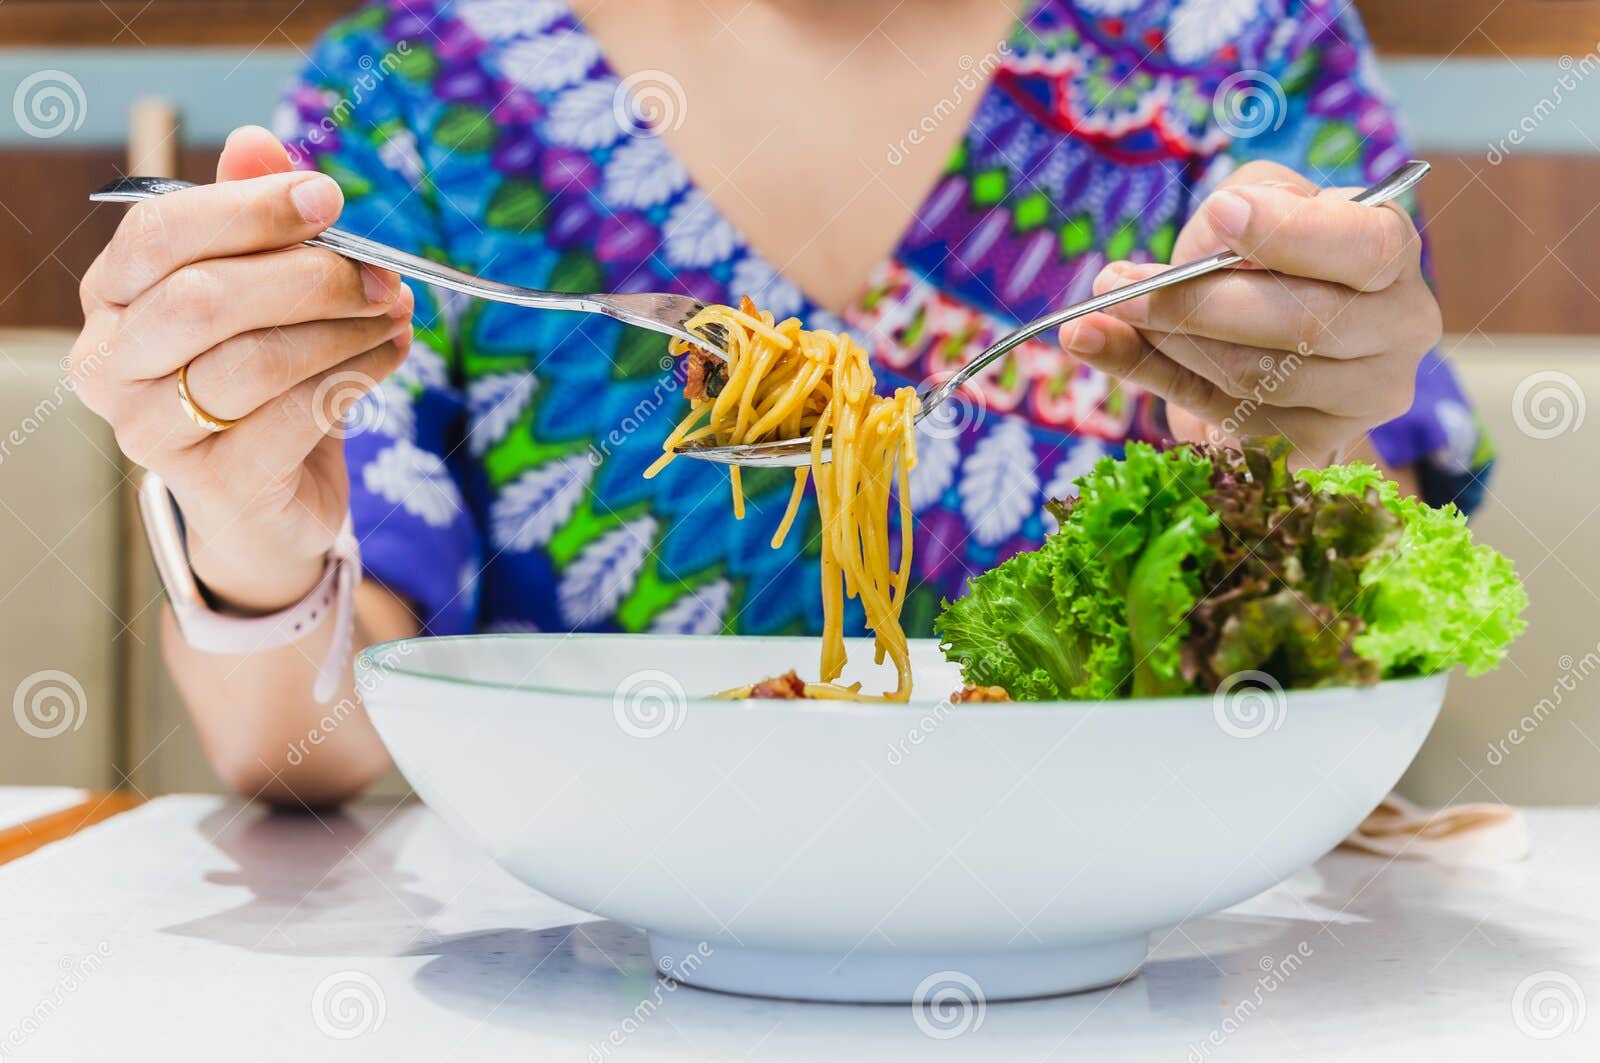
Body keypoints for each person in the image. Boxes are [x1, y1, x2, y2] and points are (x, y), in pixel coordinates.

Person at [69, 0, 1483, 805]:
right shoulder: (428, 92)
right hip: (578, 1006)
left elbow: (1356, 672)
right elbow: (291, 749)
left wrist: (1301, 436)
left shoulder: (1237, 53)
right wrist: (247, 506)